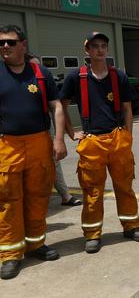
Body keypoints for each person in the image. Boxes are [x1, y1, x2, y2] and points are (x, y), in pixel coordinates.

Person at [60, 32, 139, 254]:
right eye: (95, 46)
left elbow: (128, 108)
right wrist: (71, 133)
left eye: (103, 46)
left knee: (124, 186)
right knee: (92, 190)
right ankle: (92, 234)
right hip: (91, 141)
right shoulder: (76, 77)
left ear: (107, 49)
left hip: (117, 138)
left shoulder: (119, 77)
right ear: (87, 51)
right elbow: (61, 104)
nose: (100, 50)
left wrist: (128, 134)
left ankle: (131, 225)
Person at [0, 25, 67, 279]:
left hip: (39, 142)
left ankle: (36, 243)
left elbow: (56, 106)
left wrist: (59, 139)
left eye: (10, 42)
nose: (5, 47)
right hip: (7, 145)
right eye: (1, 43)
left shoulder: (40, 73)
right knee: (8, 200)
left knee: (38, 195)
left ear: (23, 45)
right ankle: (10, 254)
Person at [26, 54, 81, 207]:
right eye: (34, 66)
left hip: (43, 128)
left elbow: (57, 107)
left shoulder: (43, 81)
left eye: (40, 66)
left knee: (53, 162)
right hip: (17, 138)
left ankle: (65, 195)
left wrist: (61, 138)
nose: (39, 70)